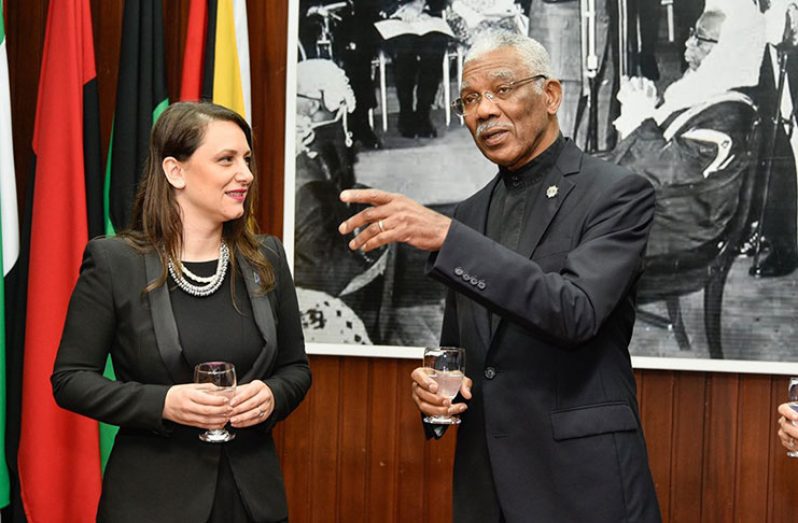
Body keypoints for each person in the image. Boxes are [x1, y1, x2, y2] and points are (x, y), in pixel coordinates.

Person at [338, 30, 661, 522]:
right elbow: (461, 353)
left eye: (502, 89)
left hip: (582, 485)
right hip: (486, 486)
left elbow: (575, 312)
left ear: (550, 95)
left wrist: (449, 238)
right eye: (470, 99)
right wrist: (437, 395)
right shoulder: (470, 214)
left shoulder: (618, 193)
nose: (484, 110)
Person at [51, 102, 312, 522]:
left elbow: (295, 369)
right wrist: (163, 403)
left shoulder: (267, 257)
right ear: (175, 171)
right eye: (226, 159)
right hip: (151, 503)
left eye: (246, 159)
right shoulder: (115, 262)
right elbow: (70, 380)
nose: (246, 174)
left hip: (253, 501)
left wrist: (272, 395)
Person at [608, 7, 766, 257]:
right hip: (657, 208)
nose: (688, 42)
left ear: (730, 49)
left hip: (677, 227)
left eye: (700, 39)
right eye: (693, 33)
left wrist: (640, 117)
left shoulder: (729, 116)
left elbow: (658, 169)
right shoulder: (703, 93)